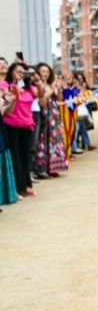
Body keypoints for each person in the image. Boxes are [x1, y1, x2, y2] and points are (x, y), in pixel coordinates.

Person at [1, 63, 39, 198]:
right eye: (17, 71)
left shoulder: (28, 87)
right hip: (11, 124)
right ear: (11, 72)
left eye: (23, 72)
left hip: (27, 125)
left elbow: (40, 96)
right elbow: (4, 101)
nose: (20, 74)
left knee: (25, 156)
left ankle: (26, 185)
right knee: (15, 157)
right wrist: (12, 92)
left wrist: (38, 82)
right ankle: (17, 187)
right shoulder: (5, 85)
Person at [34, 63, 67, 178]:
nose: (45, 74)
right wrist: (51, 90)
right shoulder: (37, 85)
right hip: (43, 115)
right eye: (43, 71)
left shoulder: (50, 85)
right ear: (38, 72)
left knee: (54, 141)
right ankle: (41, 168)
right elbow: (41, 100)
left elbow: (59, 99)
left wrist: (58, 88)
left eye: (47, 72)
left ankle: (54, 167)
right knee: (42, 141)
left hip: (54, 115)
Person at [0, 57, 18, 205]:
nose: (2, 66)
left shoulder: (7, 86)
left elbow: (6, 112)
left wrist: (11, 101)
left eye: (4, 64)